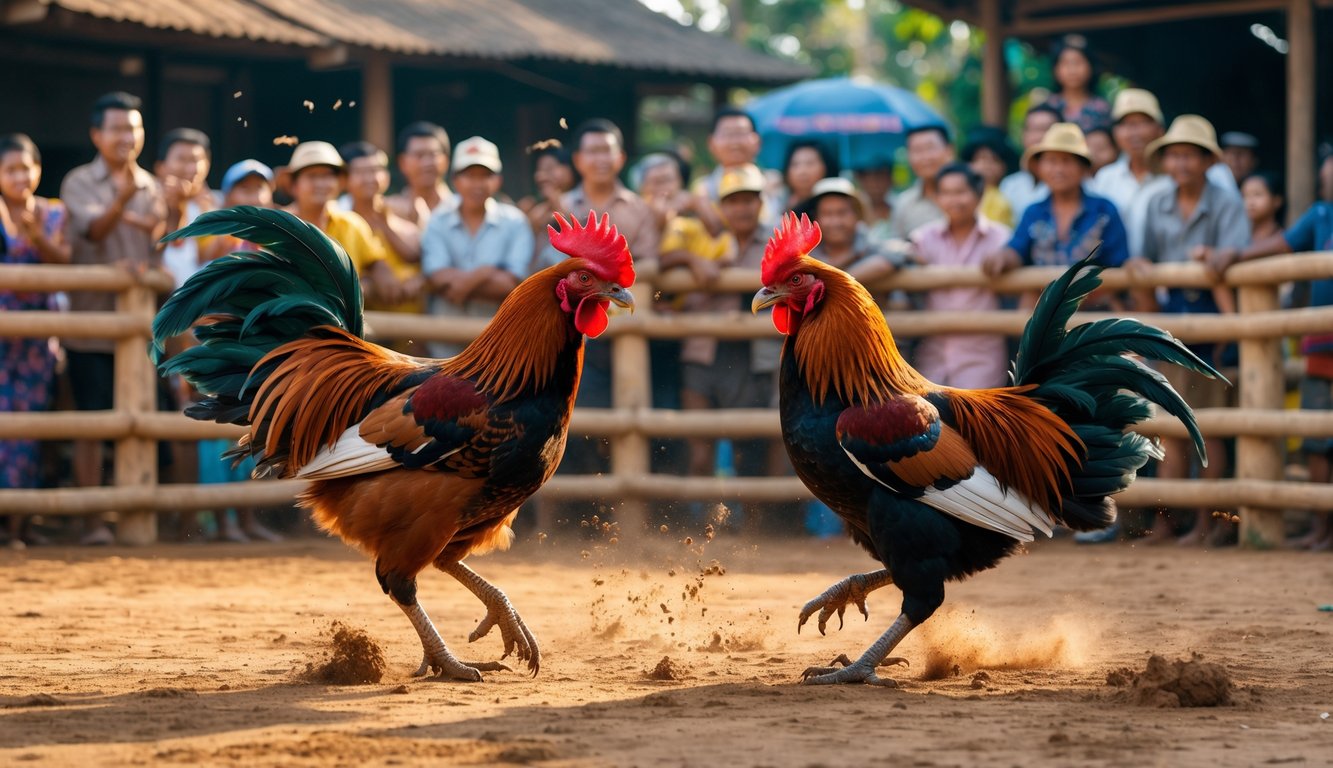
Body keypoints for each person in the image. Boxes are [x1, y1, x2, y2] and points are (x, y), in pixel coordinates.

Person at [1198, 145, 1333, 551]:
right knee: (1315, 441)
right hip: (1321, 345)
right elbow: (1284, 245)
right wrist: (1238, 253)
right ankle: (1320, 527)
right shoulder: (1321, 214)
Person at [1133, 115, 1249, 547]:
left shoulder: (1226, 201)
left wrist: (1221, 256)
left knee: (1209, 428)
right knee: (1169, 429)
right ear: (1165, 161)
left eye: (1189, 154)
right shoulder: (1156, 202)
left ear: (1205, 161)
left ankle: (1208, 522)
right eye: (1174, 154)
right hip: (1171, 323)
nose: (1181, 162)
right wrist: (1138, 265)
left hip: (1213, 324)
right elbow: (1140, 256)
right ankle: (1167, 523)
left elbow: (1232, 255)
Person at [60, 91, 166, 545]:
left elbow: (165, 249)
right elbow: (94, 230)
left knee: (141, 418)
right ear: (96, 135)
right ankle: (92, 520)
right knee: (92, 422)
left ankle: (137, 517)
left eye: (134, 128)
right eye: (118, 128)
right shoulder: (79, 182)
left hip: (142, 327)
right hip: (91, 324)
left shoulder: (153, 186)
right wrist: (123, 199)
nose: (127, 136)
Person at [678, 164, 779, 528]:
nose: (742, 208)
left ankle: (754, 531)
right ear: (722, 205)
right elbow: (661, 259)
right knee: (700, 449)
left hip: (752, 355)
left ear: (760, 202)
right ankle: (700, 527)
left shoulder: (774, 241)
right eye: (733, 201)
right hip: (702, 351)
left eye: (749, 199)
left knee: (747, 448)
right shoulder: (697, 234)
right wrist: (692, 259)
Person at [0, 134, 69, 548]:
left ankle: (20, 526)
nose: (19, 176)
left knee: (29, 429)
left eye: (25, 168)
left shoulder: (53, 213)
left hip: (36, 341)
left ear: (38, 171)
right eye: (10, 169)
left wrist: (35, 234)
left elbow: (65, 259)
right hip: (2, 336)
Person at [420, 136, 534, 359]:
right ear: (455, 180)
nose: (478, 184)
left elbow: (512, 285)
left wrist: (462, 284)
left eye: (485, 176)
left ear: (498, 180)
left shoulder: (515, 222)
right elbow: (436, 277)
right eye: (470, 175)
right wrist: (488, 272)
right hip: (444, 343)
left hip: (499, 345)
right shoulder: (438, 220)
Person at [984, 123, 1129, 293]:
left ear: (1082, 168)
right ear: (1040, 168)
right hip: (1045, 309)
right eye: (1051, 161)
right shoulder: (1034, 212)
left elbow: (1119, 261)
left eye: (1067, 161)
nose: (1059, 169)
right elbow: (1018, 248)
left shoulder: (1104, 210)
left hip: (1097, 307)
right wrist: (1003, 257)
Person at [1090, 88, 1237, 255]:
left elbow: (1234, 231)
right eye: (1124, 124)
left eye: (1141, 123)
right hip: (1121, 277)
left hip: (1195, 274)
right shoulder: (1105, 178)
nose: (1133, 132)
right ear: (1114, 133)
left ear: (1160, 129)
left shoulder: (1202, 174)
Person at [908, 163, 1010, 389]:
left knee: (977, 424)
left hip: (982, 356)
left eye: (960, 192)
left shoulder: (1002, 239)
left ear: (979, 194)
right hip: (932, 354)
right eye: (945, 193)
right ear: (937, 197)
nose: (953, 200)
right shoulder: (923, 239)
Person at [280, 140, 393, 299]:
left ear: (340, 182)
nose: (321, 183)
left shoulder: (352, 224)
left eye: (327, 175)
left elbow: (378, 265)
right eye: (312, 176)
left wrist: (369, 284)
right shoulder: (277, 227)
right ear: (294, 185)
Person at [339, 140, 425, 347]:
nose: (371, 178)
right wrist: (369, 282)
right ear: (344, 179)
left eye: (376, 169)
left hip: (411, 334)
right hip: (359, 336)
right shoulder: (339, 221)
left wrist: (420, 279)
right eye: (361, 171)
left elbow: (424, 262)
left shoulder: (406, 212)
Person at [802, 177, 898, 285]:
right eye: (827, 213)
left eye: (842, 212)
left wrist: (838, 283)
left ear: (856, 215)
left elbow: (895, 255)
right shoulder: (806, 253)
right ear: (816, 218)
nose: (835, 222)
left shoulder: (869, 242)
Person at [155, 128, 213, 289]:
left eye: (195, 160)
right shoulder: (148, 201)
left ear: (207, 165)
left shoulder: (218, 205)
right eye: (181, 159)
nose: (189, 168)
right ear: (160, 167)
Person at [385, 121, 456, 228]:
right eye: (419, 155)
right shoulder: (388, 210)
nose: (426, 163)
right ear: (402, 162)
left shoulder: (463, 209)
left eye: (433, 155)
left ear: (446, 160)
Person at [517, 139, 579, 256]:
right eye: (538, 170)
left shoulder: (581, 200)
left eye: (549, 168)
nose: (540, 176)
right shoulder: (532, 207)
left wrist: (556, 203)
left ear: (569, 169)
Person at [891, 125, 954, 239]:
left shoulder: (970, 195)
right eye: (917, 150)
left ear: (949, 151)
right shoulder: (903, 204)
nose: (925, 157)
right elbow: (897, 249)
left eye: (930, 148)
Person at [1041, 35, 1112, 132]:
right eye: (1065, 63)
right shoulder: (1048, 106)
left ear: (1091, 67)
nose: (1072, 70)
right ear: (1055, 69)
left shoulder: (1102, 108)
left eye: (1078, 62)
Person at [999, 105, 1059, 218]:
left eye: (1046, 129)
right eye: (1033, 129)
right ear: (1023, 135)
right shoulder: (1010, 185)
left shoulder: (1074, 183)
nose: (1038, 136)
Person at [960, 126, 1017, 228]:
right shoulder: (958, 194)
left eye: (994, 160)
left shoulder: (1008, 196)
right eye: (981, 158)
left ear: (1004, 166)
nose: (987, 165)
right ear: (969, 164)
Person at [780, 140, 836, 213]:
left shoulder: (835, 203)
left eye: (810, 163)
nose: (802, 171)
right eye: (795, 164)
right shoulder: (777, 203)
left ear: (825, 167)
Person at [853, 156, 895, 245]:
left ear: (890, 180)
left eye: (880, 179)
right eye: (869, 180)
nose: (875, 185)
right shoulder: (852, 210)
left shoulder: (900, 207)